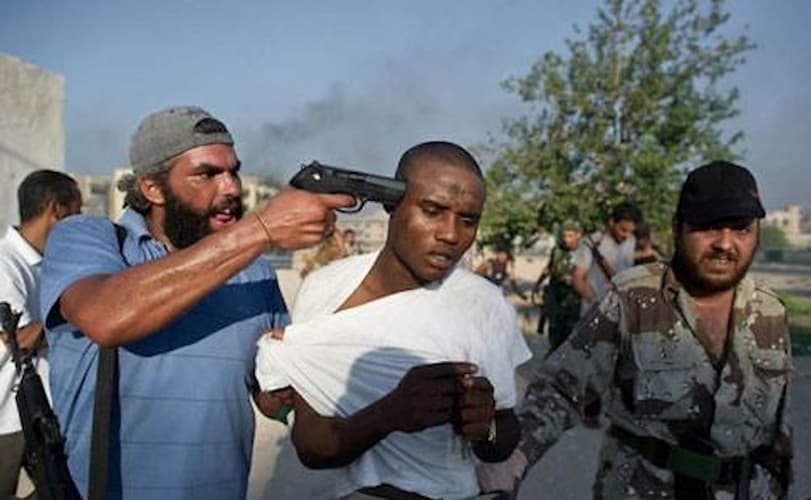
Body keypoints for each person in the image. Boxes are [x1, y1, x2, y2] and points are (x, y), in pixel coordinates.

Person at [38, 106, 353, 499]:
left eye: (233, 171)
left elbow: (270, 398)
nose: (232, 188)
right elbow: (106, 316)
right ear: (152, 188)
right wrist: (262, 228)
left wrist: (294, 384)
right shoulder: (89, 239)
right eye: (207, 174)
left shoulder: (254, 272)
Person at [481, 161, 793, 499]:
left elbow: (778, 427)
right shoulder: (633, 298)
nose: (725, 243)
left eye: (741, 229)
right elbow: (560, 389)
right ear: (678, 228)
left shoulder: (770, 311)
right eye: (708, 227)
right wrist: (512, 460)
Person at [255, 141, 531, 499]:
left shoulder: (484, 305)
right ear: (392, 203)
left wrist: (484, 425)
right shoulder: (326, 289)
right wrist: (391, 414)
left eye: (468, 220)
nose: (450, 234)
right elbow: (312, 447)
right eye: (432, 210)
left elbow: (499, 441)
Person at [0, 170, 81, 498]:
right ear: (56, 210)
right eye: (76, 211)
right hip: (7, 420)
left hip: (37, 415)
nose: (80, 221)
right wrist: (80, 316)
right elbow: (20, 339)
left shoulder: (42, 263)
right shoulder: (5, 266)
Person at [572, 201, 640, 315]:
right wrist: (594, 302)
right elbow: (577, 278)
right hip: (593, 313)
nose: (626, 235)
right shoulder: (593, 242)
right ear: (612, 222)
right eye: (623, 230)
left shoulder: (631, 241)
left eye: (630, 231)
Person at [532, 220, 583, 354]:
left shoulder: (585, 253)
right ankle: (554, 355)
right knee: (554, 330)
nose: (567, 239)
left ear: (578, 235)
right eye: (565, 236)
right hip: (555, 298)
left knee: (571, 333)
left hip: (574, 300)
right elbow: (548, 268)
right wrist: (537, 285)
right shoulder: (557, 250)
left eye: (570, 236)